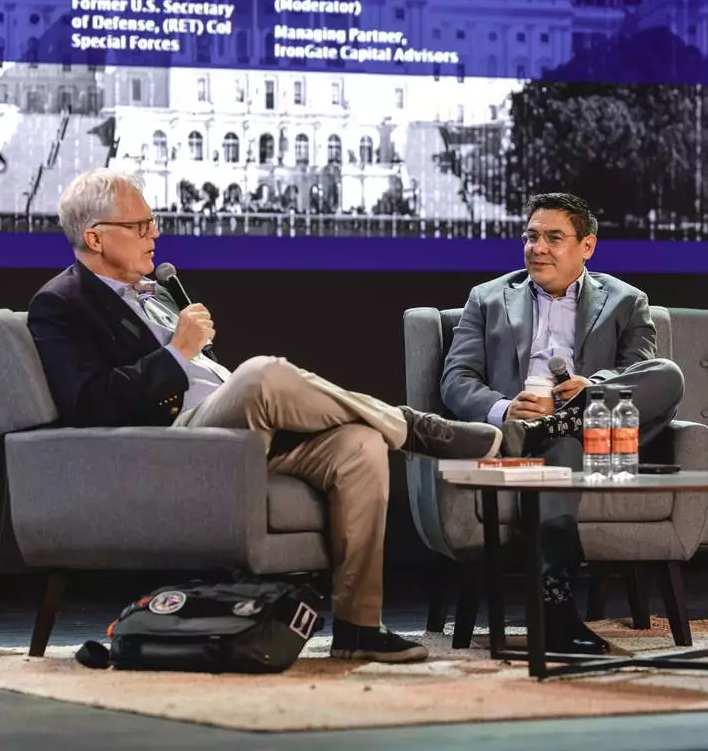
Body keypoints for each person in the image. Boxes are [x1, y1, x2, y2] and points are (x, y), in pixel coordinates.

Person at [28, 169, 502, 664]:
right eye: (140, 225)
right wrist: (176, 352)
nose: (155, 234)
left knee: (359, 444)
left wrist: (192, 356)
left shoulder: (157, 292)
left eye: (154, 221)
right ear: (95, 237)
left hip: (233, 436)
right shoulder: (61, 303)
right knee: (262, 374)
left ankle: (358, 627)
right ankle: (412, 426)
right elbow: (89, 404)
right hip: (167, 444)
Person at [440, 192, 685, 653]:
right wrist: (506, 409)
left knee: (667, 375)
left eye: (554, 238)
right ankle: (555, 612)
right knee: (562, 448)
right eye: (531, 237)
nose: (538, 248)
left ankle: (563, 420)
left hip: (600, 432)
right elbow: (456, 381)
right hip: (524, 433)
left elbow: (638, 373)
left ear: (586, 246)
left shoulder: (627, 300)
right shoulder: (487, 298)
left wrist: (591, 387)